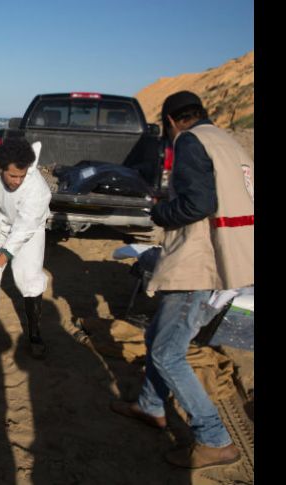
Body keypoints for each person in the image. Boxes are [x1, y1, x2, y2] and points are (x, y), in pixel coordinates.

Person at [110, 91, 253, 469]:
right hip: (235, 256)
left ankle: (215, 439)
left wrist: (161, 212)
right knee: (160, 334)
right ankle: (150, 406)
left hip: (203, 262)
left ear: (172, 122)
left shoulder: (191, 141)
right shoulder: (226, 140)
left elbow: (197, 204)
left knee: (167, 352)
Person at [0, 137, 51, 359]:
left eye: (22, 176)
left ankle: (34, 333)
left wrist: (1, 261)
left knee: (27, 278)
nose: (18, 181)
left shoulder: (38, 188)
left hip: (29, 230)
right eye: (12, 175)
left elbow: (25, 227)